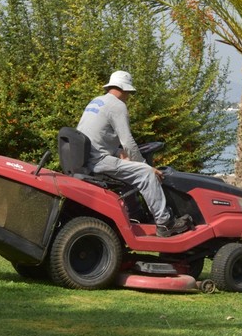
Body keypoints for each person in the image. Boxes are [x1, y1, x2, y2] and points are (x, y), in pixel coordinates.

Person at [77, 70, 190, 237]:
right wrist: (146, 166)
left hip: (87, 158)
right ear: (124, 90)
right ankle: (165, 223)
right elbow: (128, 141)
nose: (129, 96)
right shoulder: (117, 105)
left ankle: (136, 215)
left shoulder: (97, 101)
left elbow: (96, 137)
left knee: (132, 168)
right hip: (99, 161)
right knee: (146, 174)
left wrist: (118, 152)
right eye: (129, 93)